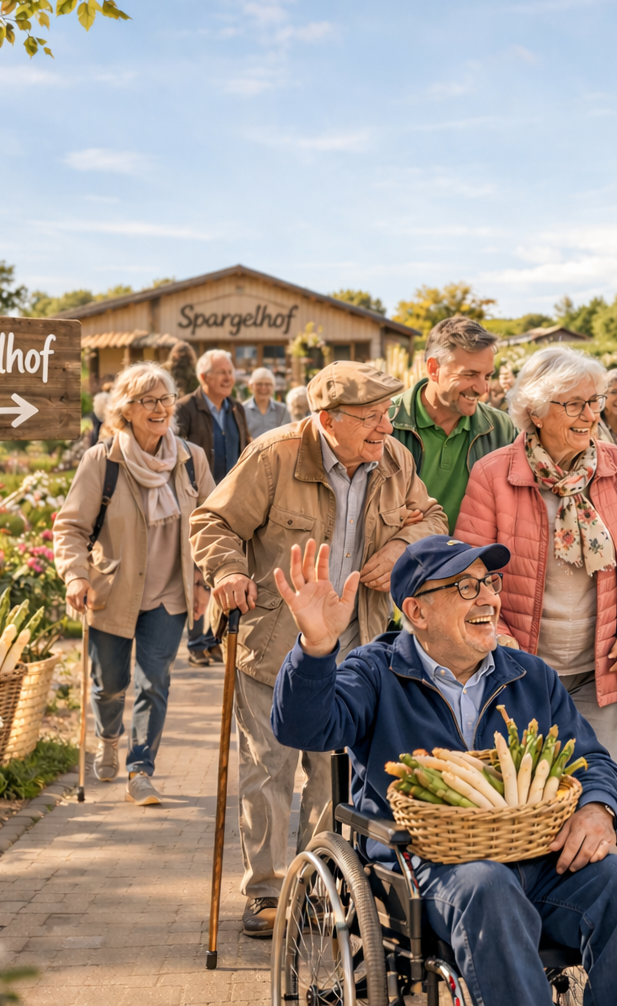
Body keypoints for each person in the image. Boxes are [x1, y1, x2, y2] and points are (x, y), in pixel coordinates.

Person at [269, 535, 617, 1005]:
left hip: (538, 858)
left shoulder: (528, 674)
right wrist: (316, 650)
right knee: (489, 886)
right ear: (416, 612)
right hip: (426, 870)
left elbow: (593, 759)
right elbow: (303, 728)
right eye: (464, 587)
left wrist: (598, 807)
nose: (489, 598)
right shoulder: (376, 671)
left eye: (489, 582)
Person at [189, 361, 449, 937]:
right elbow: (212, 521)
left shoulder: (394, 458)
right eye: (371, 417)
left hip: (357, 642)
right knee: (270, 768)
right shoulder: (275, 456)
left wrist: (403, 545)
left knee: (334, 774)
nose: (385, 427)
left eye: (387, 413)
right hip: (278, 638)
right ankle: (263, 890)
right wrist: (228, 572)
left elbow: (431, 515)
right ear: (327, 420)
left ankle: (316, 882)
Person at [454, 346, 617, 767]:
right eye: (575, 404)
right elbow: (470, 579)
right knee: (530, 805)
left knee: (596, 798)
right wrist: (499, 642)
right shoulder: (493, 475)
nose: (591, 415)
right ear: (536, 412)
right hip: (519, 674)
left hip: (604, 672)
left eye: (594, 401)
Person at [54, 363, 215, 807]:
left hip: (168, 596)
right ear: (126, 410)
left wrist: (203, 582)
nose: (160, 409)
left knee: (154, 682)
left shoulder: (190, 460)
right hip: (112, 593)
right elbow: (70, 527)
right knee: (109, 684)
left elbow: (210, 526)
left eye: (165, 399)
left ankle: (140, 770)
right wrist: (75, 574)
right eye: (148, 401)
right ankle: (108, 736)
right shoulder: (102, 461)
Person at [389, 316, 518, 532]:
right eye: (470, 375)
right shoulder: (384, 423)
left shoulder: (502, 429)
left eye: (487, 376)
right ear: (433, 369)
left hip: (474, 561)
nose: (482, 388)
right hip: (400, 560)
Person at [175, 349, 251, 666]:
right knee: (199, 566)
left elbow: (246, 448)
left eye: (230, 373)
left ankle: (213, 637)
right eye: (221, 372)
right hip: (198, 500)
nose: (228, 378)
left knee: (227, 564)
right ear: (203, 377)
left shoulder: (235, 408)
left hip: (232, 499)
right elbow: (175, 451)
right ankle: (196, 641)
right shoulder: (184, 408)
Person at [242, 366, 292, 440]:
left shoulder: (282, 410)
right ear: (251, 386)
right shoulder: (242, 409)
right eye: (259, 384)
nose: (263, 387)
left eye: (268, 384)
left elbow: (287, 436)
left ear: (273, 387)